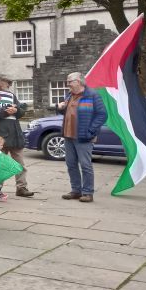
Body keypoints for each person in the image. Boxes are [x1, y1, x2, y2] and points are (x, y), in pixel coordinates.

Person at [56, 72, 107, 202]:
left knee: (85, 165)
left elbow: (102, 115)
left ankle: (88, 193)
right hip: (68, 136)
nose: (68, 85)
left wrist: (90, 131)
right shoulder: (69, 95)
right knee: (71, 164)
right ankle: (76, 191)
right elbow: (67, 112)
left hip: (83, 137)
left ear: (79, 82)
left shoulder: (92, 95)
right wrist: (60, 107)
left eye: (69, 82)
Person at [0, 75, 35, 198]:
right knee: (0, 164)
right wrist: (5, 112)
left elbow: (20, 113)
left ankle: (22, 188)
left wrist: (17, 110)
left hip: (15, 134)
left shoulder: (12, 96)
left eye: (10, 83)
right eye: (7, 82)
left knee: (20, 164)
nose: (9, 85)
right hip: (1, 135)